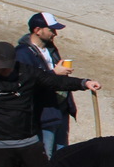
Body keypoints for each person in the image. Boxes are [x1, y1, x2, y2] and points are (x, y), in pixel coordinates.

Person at [14, 12, 77, 158]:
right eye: (51, 30)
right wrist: (54, 73)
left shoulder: (50, 49)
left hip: (59, 109)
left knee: (62, 154)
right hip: (43, 114)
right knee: (45, 157)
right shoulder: (22, 54)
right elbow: (27, 83)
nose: (55, 34)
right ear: (37, 30)